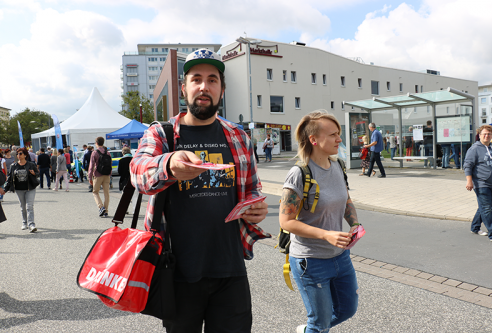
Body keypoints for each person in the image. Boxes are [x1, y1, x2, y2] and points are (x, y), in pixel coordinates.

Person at [130, 48, 270, 332]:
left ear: (222, 89)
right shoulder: (162, 134)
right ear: (184, 88)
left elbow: (252, 189)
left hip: (230, 269)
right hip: (177, 271)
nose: (204, 86)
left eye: (212, 80)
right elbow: (138, 172)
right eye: (196, 79)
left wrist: (256, 208)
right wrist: (169, 163)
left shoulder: (238, 135)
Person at [279, 111, 359, 333]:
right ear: (314, 140)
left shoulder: (339, 166)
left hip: (340, 256)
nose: (339, 139)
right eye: (333, 134)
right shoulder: (299, 174)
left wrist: (354, 224)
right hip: (310, 261)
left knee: (346, 310)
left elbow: (346, 200)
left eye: (339, 133)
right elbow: (286, 221)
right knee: (320, 322)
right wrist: (326, 234)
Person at [464, 125, 492, 242]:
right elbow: (468, 165)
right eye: (484, 134)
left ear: (491, 136)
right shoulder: (474, 149)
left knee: (485, 207)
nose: (486, 136)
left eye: (489, 134)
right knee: (486, 209)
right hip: (481, 184)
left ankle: (475, 227)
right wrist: (469, 181)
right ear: (480, 135)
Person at [4, 148, 40, 232]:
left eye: (20, 153)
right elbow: (9, 179)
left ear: (25, 155)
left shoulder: (31, 164)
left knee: (29, 206)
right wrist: (4, 190)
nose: (18, 155)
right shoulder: (14, 166)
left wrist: (34, 173)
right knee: (22, 207)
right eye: (17, 154)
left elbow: (38, 174)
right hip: (19, 189)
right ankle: (24, 222)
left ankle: (31, 224)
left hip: (30, 188)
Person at [89, 137, 111, 217]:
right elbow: (110, 164)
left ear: (96, 143)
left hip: (98, 175)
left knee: (95, 192)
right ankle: (106, 211)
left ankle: (101, 207)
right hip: (107, 175)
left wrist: (89, 177)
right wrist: (109, 174)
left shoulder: (95, 152)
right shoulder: (107, 153)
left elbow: (91, 166)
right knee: (106, 193)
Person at [118, 146, 138, 214]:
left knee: (125, 196)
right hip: (134, 180)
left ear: (123, 153)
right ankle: (135, 210)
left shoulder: (121, 161)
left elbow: (119, 172)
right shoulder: (134, 160)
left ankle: (124, 210)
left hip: (124, 181)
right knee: (135, 196)